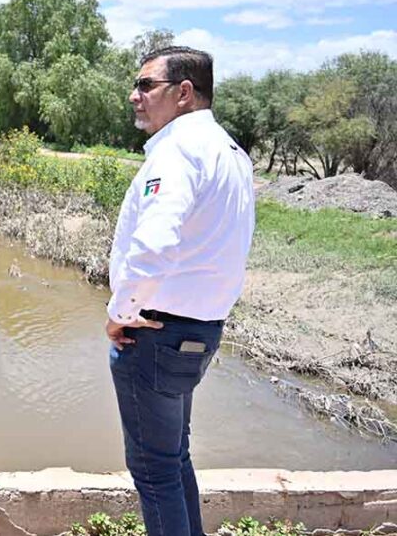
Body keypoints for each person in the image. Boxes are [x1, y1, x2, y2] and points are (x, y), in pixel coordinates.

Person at [106, 46, 255, 536]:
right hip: (199, 329)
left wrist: (121, 312)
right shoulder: (230, 152)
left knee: (154, 472)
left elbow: (153, 245)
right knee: (173, 461)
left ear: (184, 93)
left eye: (146, 85)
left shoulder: (178, 151)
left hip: (153, 334)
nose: (135, 96)